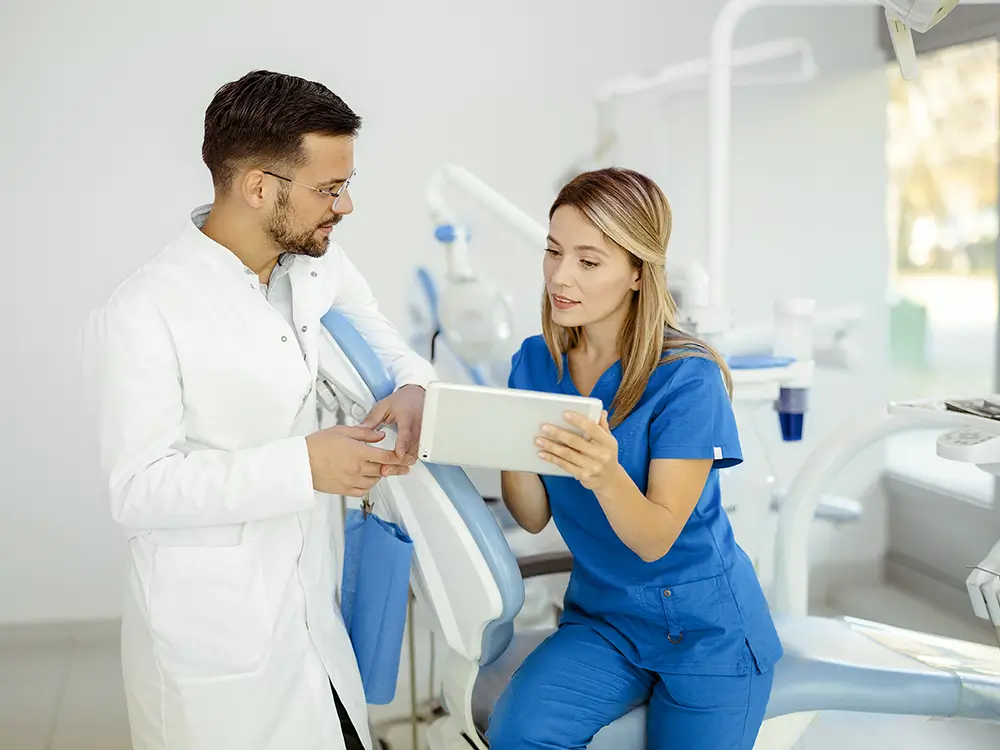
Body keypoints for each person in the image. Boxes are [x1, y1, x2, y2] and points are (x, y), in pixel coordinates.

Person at [79, 70, 435, 750]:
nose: (347, 205)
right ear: (257, 187)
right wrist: (304, 464)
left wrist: (413, 386)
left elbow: (391, 345)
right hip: (215, 633)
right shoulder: (141, 313)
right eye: (329, 189)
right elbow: (137, 489)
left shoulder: (316, 264)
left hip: (310, 603)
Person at [488, 168, 783, 749]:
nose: (561, 276)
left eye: (588, 261)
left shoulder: (687, 378)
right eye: (553, 252)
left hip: (707, 631)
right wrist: (501, 436)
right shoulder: (534, 362)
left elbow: (654, 538)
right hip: (605, 621)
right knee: (519, 733)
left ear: (638, 274)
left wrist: (605, 473)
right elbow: (531, 515)